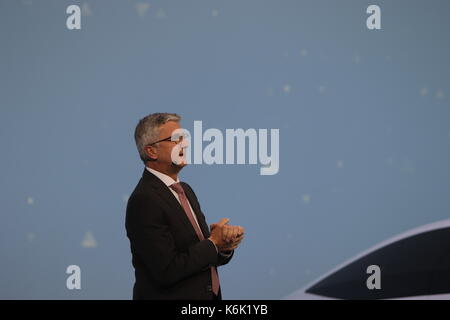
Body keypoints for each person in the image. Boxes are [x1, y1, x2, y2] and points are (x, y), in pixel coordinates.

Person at [126, 113, 245, 300]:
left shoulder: (185, 190)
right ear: (152, 152)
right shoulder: (144, 200)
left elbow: (198, 258)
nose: (185, 144)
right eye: (175, 139)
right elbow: (167, 270)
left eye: (184, 138)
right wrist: (212, 243)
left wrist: (222, 247)